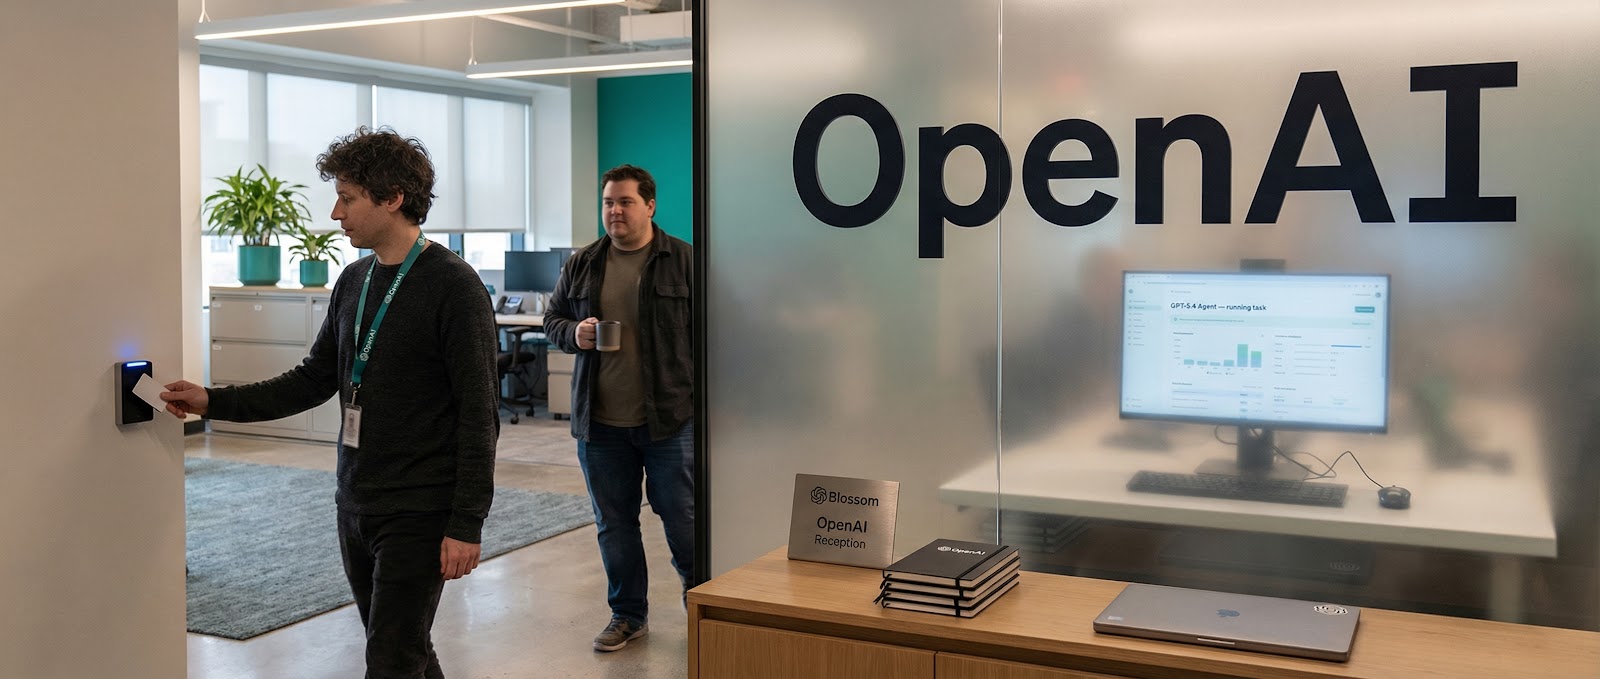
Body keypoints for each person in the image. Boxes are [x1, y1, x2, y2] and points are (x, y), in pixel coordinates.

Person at [161, 127, 500, 678]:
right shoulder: (354, 280)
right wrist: (210, 401)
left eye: (347, 197)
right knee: (404, 649)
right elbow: (311, 379)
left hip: (419, 506)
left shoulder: (454, 287)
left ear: (391, 198)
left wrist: (466, 522)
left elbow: (478, 415)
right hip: (356, 500)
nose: (335, 212)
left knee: (391, 658)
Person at [544, 164, 695, 652]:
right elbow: (552, 320)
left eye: (625, 202)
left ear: (650, 205)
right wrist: (574, 334)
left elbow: (713, 335)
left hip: (670, 420)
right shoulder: (583, 263)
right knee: (615, 525)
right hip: (601, 425)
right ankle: (628, 615)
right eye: (608, 202)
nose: (615, 211)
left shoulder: (685, 260)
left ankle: (703, 601)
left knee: (683, 519)